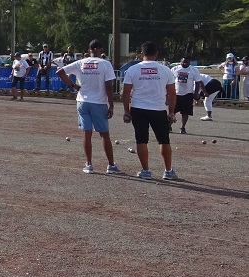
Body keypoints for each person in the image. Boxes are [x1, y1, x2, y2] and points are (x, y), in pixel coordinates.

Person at [57, 39, 119, 174]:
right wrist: (111, 105)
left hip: (82, 101)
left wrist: (73, 85)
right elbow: (109, 87)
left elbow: (60, 72)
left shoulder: (81, 62)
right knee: (104, 134)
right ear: (101, 50)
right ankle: (111, 165)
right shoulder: (105, 64)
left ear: (88, 50)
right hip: (99, 102)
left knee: (87, 133)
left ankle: (89, 164)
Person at [122, 41, 178, 180]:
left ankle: (145, 171)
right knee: (164, 140)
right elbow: (172, 93)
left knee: (141, 140)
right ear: (156, 54)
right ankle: (168, 171)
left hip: (138, 109)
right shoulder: (165, 70)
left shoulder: (133, 70)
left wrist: (126, 111)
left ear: (142, 54)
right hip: (158, 109)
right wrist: (171, 112)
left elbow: (126, 92)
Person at [170, 56, 205, 134]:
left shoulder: (193, 70)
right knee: (172, 111)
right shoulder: (175, 69)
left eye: (187, 62)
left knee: (185, 113)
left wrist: (196, 93)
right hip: (176, 94)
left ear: (190, 63)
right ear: (180, 61)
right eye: (183, 62)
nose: (185, 64)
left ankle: (182, 127)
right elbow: (169, 81)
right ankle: (169, 126)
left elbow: (198, 82)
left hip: (187, 94)